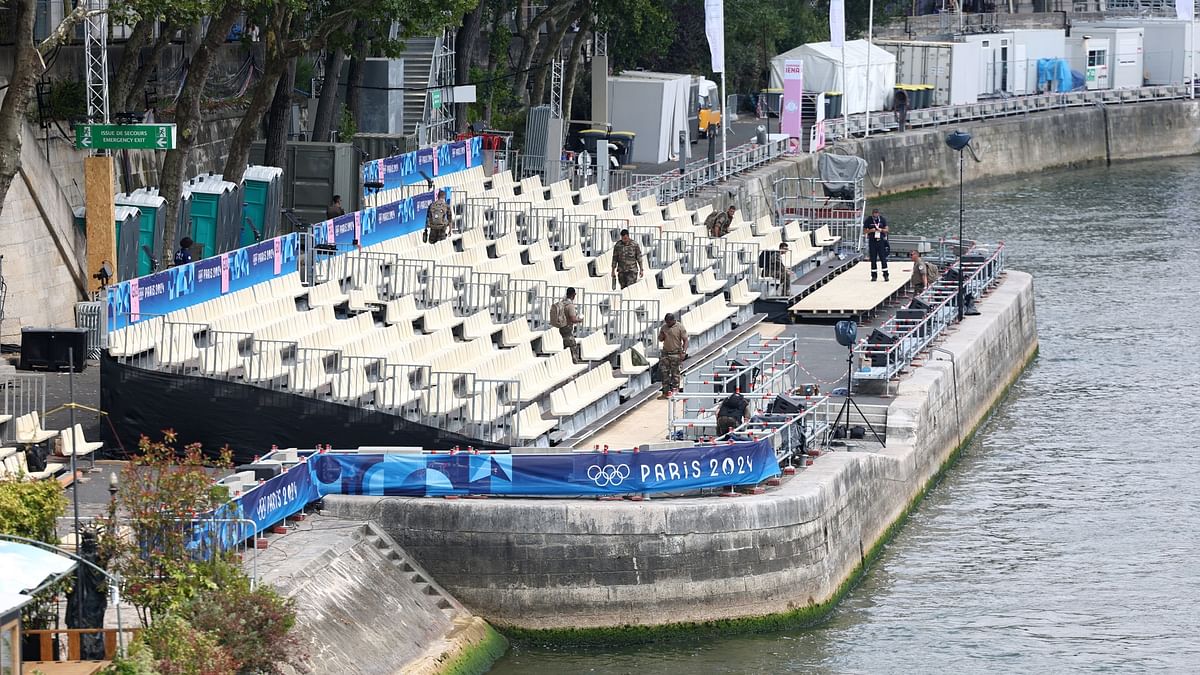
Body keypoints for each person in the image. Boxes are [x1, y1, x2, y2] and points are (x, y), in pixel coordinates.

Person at [657, 313, 688, 399]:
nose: (668, 324)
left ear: (673, 320)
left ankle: (675, 391)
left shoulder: (680, 327)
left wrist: (684, 352)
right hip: (665, 353)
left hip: (676, 353)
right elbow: (660, 339)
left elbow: (685, 340)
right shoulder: (664, 327)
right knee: (664, 373)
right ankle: (665, 392)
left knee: (675, 373)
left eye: (669, 322)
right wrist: (662, 335)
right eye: (667, 322)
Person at [550, 287, 583, 363]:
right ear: (573, 295)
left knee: (566, 347)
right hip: (568, 329)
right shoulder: (570, 305)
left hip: (562, 327)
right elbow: (573, 319)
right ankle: (573, 364)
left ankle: (567, 362)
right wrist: (579, 320)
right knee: (572, 347)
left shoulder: (562, 303)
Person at [863, 208, 890, 282]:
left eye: (877, 213)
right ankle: (874, 276)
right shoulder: (868, 220)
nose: (875, 214)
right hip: (872, 241)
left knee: (883, 258)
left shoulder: (882, 219)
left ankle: (885, 275)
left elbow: (887, 230)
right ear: (872, 214)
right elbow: (864, 231)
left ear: (878, 213)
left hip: (880, 241)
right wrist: (870, 230)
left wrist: (881, 230)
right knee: (873, 259)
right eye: (874, 213)